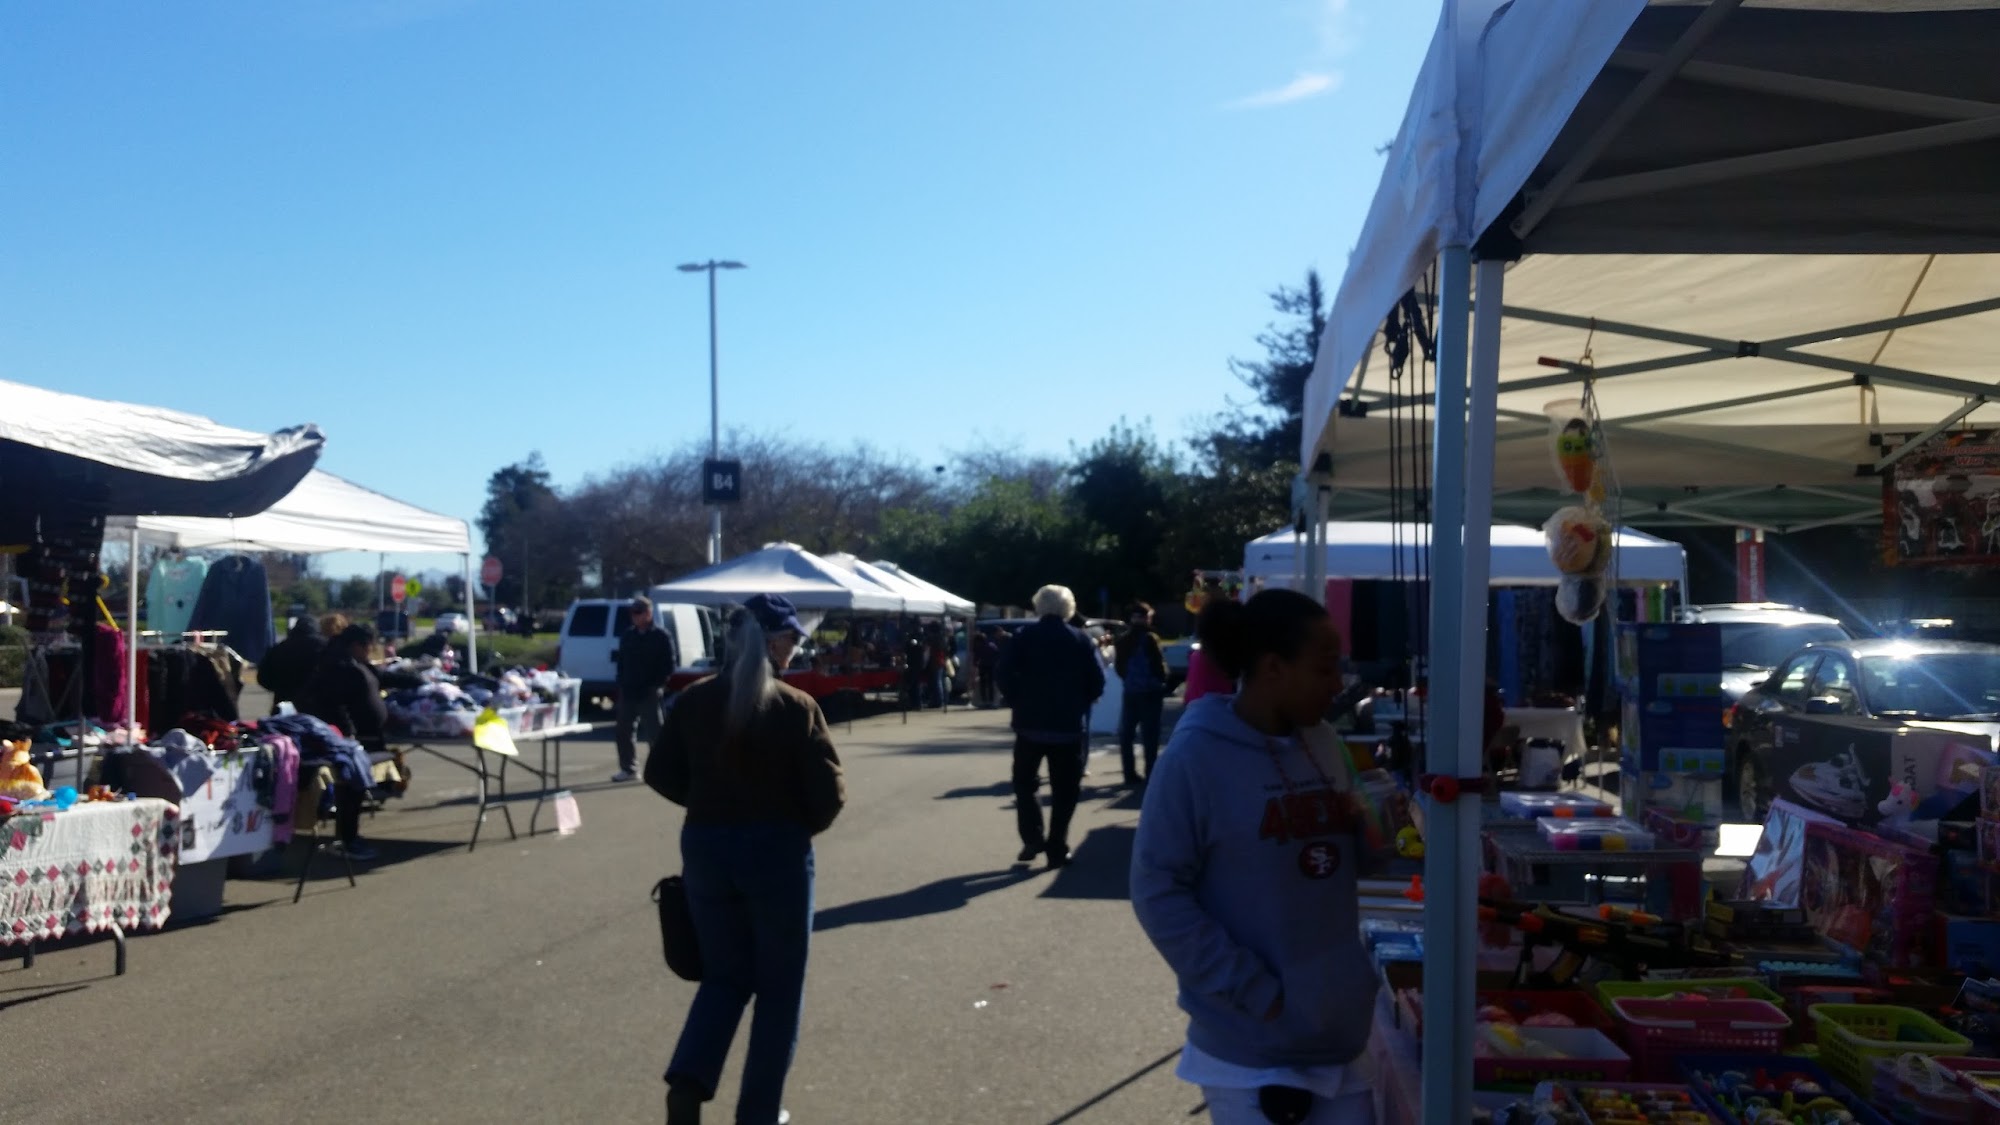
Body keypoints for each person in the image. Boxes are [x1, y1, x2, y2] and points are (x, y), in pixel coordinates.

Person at [1131, 589, 1380, 1124]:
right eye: (1324, 669)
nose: (1338, 684)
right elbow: (1157, 891)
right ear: (1272, 668)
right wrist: (1255, 990)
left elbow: (1340, 863)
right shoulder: (1195, 757)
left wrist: (1375, 829)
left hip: (1341, 1038)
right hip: (1250, 1056)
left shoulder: (1323, 741)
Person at [647, 593, 845, 1125]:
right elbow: (829, 794)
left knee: (724, 976)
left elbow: (658, 773)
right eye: (792, 639)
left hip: (707, 847)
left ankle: (689, 1081)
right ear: (776, 644)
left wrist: (706, 803)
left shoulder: (694, 700)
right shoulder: (795, 706)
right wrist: (797, 826)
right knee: (779, 990)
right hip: (777, 852)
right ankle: (758, 1112)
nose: (794, 649)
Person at [998, 585, 1104, 869]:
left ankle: (1032, 837)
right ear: (1069, 607)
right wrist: (1081, 701)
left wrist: (1017, 699)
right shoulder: (1081, 640)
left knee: (1025, 783)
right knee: (1065, 790)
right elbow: (1097, 680)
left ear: (1038, 606)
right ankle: (1057, 847)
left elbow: (1003, 673)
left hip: (1029, 723)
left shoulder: (1023, 636)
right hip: (1067, 726)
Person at [298, 623, 392, 860]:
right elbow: (335, 704)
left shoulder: (351, 662)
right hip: (345, 739)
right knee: (350, 788)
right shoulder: (338, 665)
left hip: (357, 737)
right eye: (368, 647)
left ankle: (349, 837)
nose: (370, 652)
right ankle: (347, 840)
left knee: (354, 788)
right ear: (356, 645)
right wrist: (349, 733)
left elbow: (379, 678)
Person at [612, 596, 679, 784]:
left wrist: (658, 684)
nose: (635, 616)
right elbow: (621, 662)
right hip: (629, 690)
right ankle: (628, 769)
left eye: (638, 612)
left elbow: (669, 664)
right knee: (623, 730)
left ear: (648, 613)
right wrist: (621, 681)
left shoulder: (661, 636)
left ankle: (661, 770)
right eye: (633, 613)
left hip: (649, 691)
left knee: (655, 732)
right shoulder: (628, 635)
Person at [1113, 601, 1170, 786]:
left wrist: (1129, 679)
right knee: (1150, 735)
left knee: (1127, 734)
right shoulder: (1150, 638)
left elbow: (1119, 668)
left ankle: (1129, 773)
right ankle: (1150, 772)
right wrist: (1163, 680)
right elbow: (1158, 666)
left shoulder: (1122, 639)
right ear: (1146, 618)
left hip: (1131, 691)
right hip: (1150, 692)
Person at [257, 613, 326, 714]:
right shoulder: (325, 647)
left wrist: (278, 687)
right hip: (316, 705)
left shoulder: (279, 648)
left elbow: (263, 678)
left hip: (284, 703)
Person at [973, 628, 1002, 708]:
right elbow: (998, 655)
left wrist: (975, 665)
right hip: (991, 666)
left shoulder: (979, 647)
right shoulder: (991, 645)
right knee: (990, 684)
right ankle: (991, 701)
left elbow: (976, 658)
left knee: (983, 684)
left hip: (983, 666)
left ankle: (984, 701)